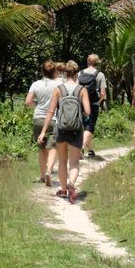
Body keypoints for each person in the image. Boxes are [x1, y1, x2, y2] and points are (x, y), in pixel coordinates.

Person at [38, 60, 91, 203]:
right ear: (76, 73)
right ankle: (71, 184)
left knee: (62, 161)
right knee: (74, 162)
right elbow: (88, 111)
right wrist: (78, 115)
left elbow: (50, 111)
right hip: (76, 130)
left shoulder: (58, 89)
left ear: (64, 73)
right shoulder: (82, 90)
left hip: (60, 129)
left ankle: (63, 190)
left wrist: (43, 132)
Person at [25, 60, 58, 185]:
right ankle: (49, 170)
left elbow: (28, 102)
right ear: (54, 71)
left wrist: (38, 106)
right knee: (53, 147)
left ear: (42, 71)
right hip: (54, 119)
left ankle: (42, 175)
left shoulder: (35, 84)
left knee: (42, 148)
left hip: (38, 118)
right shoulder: (58, 85)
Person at [78, 54, 107, 158]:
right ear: (97, 62)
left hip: (80, 103)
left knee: (84, 126)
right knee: (89, 127)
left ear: (87, 61)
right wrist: (98, 102)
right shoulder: (100, 75)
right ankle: (81, 147)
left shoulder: (80, 74)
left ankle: (90, 150)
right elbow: (103, 93)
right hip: (92, 104)